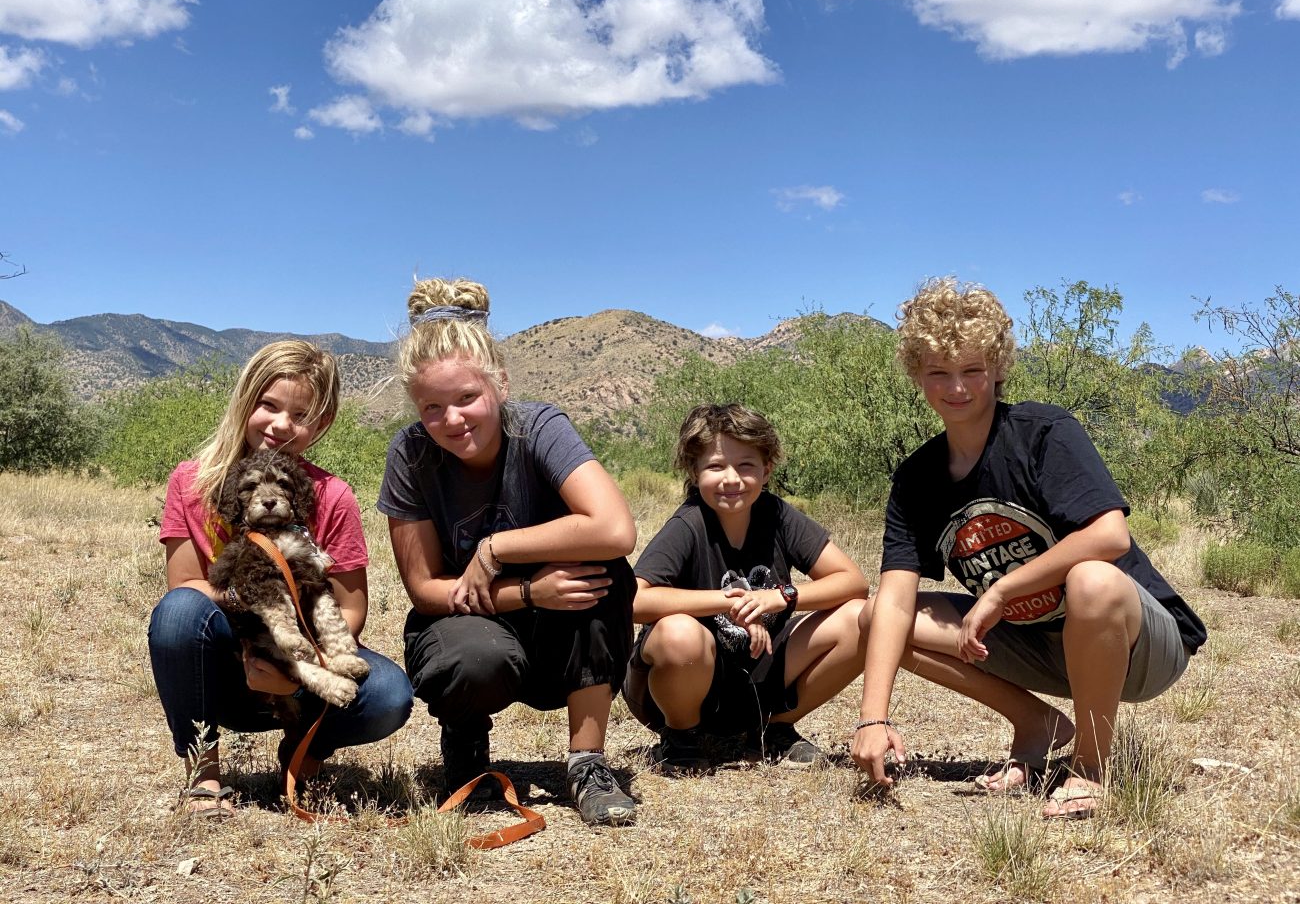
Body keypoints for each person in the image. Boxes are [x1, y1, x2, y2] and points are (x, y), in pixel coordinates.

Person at [851, 278, 1206, 820]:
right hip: (1041, 645)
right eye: (939, 373)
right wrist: (872, 718)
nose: (958, 388)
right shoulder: (918, 477)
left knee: (1092, 577)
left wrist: (1002, 589)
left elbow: (1110, 536)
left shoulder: (1043, 432)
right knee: (876, 616)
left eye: (972, 370)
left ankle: (1091, 768)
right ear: (917, 375)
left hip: (1135, 646)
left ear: (997, 367)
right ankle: (1036, 723)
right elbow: (896, 599)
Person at [377, 277, 639, 827]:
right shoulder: (410, 455)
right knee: (473, 658)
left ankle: (587, 762)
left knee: (604, 573)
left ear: (499, 384)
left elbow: (615, 530)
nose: (452, 420)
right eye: (432, 408)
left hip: (554, 628)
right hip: (465, 621)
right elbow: (425, 592)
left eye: (467, 398)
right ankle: (467, 751)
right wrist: (527, 591)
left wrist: (495, 547)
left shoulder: (539, 427)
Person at [148, 340, 414, 819]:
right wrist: (260, 638)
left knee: (390, 694)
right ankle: (204, 774)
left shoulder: (331, 495)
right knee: (178, 615)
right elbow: (186, 589)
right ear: (245, 400)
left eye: (302, 414)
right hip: (230, 662)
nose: (280, 425)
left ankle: (304, 749)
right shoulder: (192, 482)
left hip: (308, 654)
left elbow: (351, 608)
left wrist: (298, 665)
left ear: (323, 423)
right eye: (269, 405)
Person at [625, 403, 869, 773]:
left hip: (757, 678)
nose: (731, 479)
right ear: (694, 471)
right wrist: (726, 600)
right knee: (678, 632)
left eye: (746, 465)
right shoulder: (689, 525)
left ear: (766, 470)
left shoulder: (777, 515)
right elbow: (634, 599)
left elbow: (854, 582)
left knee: (860, 618)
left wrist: (780, 597)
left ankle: (776, 728)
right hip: (684, 681)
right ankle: (682, 737)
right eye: (715, 466)